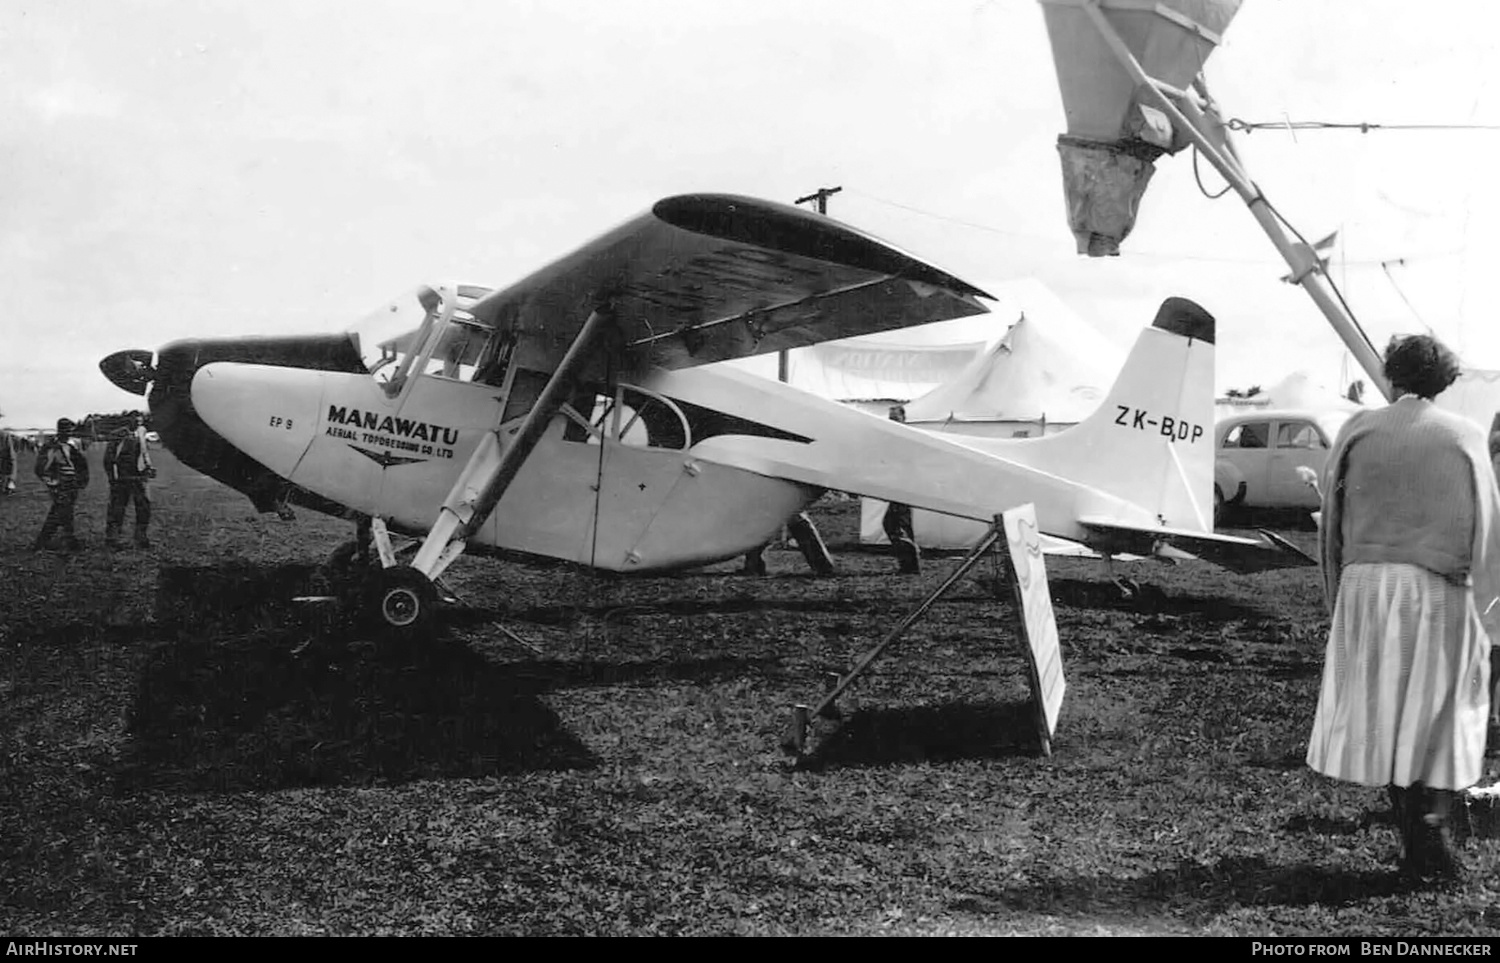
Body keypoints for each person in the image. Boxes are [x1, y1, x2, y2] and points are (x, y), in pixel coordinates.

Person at [1307, 334, 1500, 883]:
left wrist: (1339, 592)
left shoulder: (1358, 429)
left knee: (1387, 713)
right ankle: (1430, 838)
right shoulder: (1462, 435)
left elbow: (1333, 516)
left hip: (1366, 587)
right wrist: (1492, 615)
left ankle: (1417, 841)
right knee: (1440, 713)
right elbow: (1490, 527)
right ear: (1445, 381)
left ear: (1392, 376)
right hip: (1437, 589)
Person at [32, 418, 90, 550]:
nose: (67, 433)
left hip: (73, 484)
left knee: (62, 511)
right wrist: (50, 481)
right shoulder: (50, 446)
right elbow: (40, 467)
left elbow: (83, 465)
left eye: (69, 430)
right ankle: (67, 540)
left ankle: (45, 541)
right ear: (59, 430)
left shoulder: (75, 445)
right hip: (58, 484)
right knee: (63, 511)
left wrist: (82, 481)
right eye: (64, 430)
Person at [103, 415, 156, 549]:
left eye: (140, 421)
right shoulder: (118, 435)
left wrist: (148, 466)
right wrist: (112, 477)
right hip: (122, 477)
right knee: (117, 508)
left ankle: (141, 537)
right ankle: (112, 538)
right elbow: (109, 458)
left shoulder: (141, 432)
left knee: (144, 507)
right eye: (135, 421)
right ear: (128, 421)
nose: (138, 423)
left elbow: (144, 452)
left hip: (138, 476)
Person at [881, 405, 921, 575]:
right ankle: (909, 563)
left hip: (904, 487)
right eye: (891, 418)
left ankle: (910, 562)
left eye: (895, 418)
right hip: (899, 486)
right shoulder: (894, 437)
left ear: (903, 418)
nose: (892, 421)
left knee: (893, 524)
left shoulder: (906, 437)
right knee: (901, 524)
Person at [0, 430, 15, 495]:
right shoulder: (5, 434)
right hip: (5, 458)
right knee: (7, 474)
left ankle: (7, 487)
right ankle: (8, 487)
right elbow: (10, 449)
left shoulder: (5, 434)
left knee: (6, 474)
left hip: (5, 458)